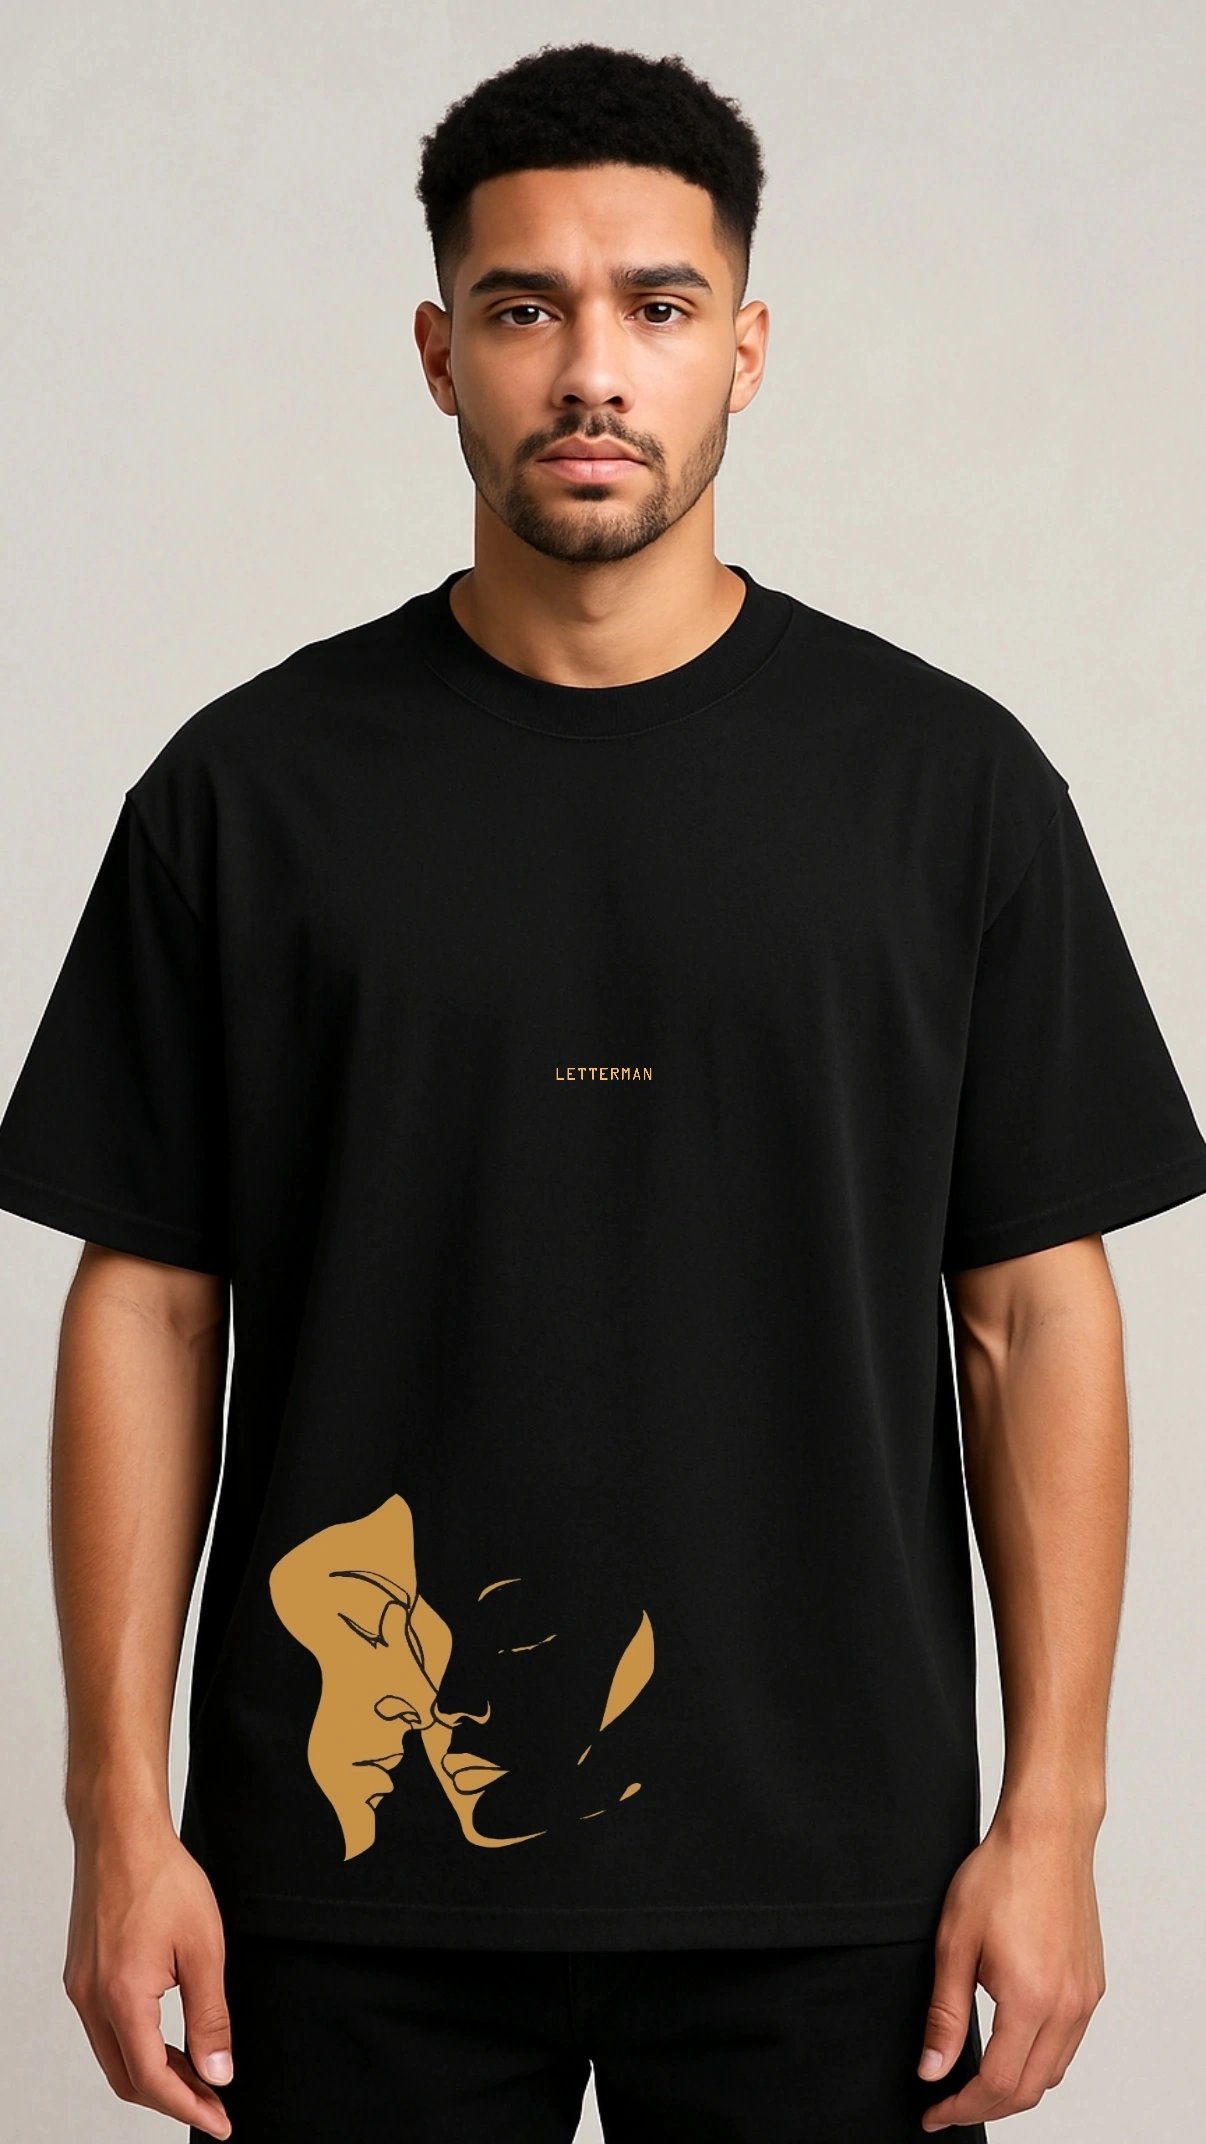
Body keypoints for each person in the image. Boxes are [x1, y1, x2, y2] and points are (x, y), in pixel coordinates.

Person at [2, 37, 1204, 2144]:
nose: (589, 371)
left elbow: (1031, 1311)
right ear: (437, 354)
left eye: (655, 306)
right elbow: (149, 1309)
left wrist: (1055, 1819)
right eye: (522, 307)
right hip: (348, 1861)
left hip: (836, 1874)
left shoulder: (944, 790)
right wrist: (117, 1818)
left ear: (746, 348)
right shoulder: (249, 794)